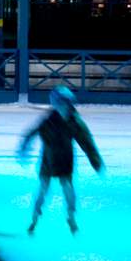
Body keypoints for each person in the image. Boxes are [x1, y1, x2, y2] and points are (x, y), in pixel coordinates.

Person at [18, 86, 104, 235]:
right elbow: (31, 133)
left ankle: (71, 216)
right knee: (43, 189)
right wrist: (24, 148)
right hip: (48, 160)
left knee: (67, 188)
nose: (64, 106)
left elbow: (87, 142)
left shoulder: (75, 121)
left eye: (66, 103)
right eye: (61, 103)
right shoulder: (48, 120)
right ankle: (35, 218)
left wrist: (95, 160)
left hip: (65, 159)